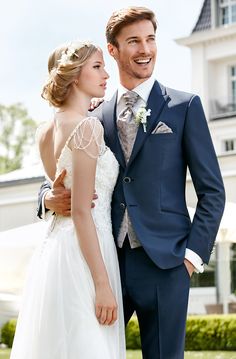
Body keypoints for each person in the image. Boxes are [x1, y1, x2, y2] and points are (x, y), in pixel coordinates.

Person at [38, 7, 225, 359]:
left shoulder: (184, 107)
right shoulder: (92, 116)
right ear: (113, 50)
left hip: (167, 265)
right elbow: (58, 174)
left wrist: (191, 257)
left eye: (151, 39)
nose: (145, 49)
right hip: (104, 263)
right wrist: (48, 198)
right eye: (134, 41)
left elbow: (212, 191)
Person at [10, 41, 126, 359]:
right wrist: (102, 284)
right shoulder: (87, 128)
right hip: (87, 253)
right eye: (98, 67)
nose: (106, 74)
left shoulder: (45, 131)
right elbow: (80, 213)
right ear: (75, 76)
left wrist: (48, 198)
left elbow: (58, 190)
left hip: (53, 253)